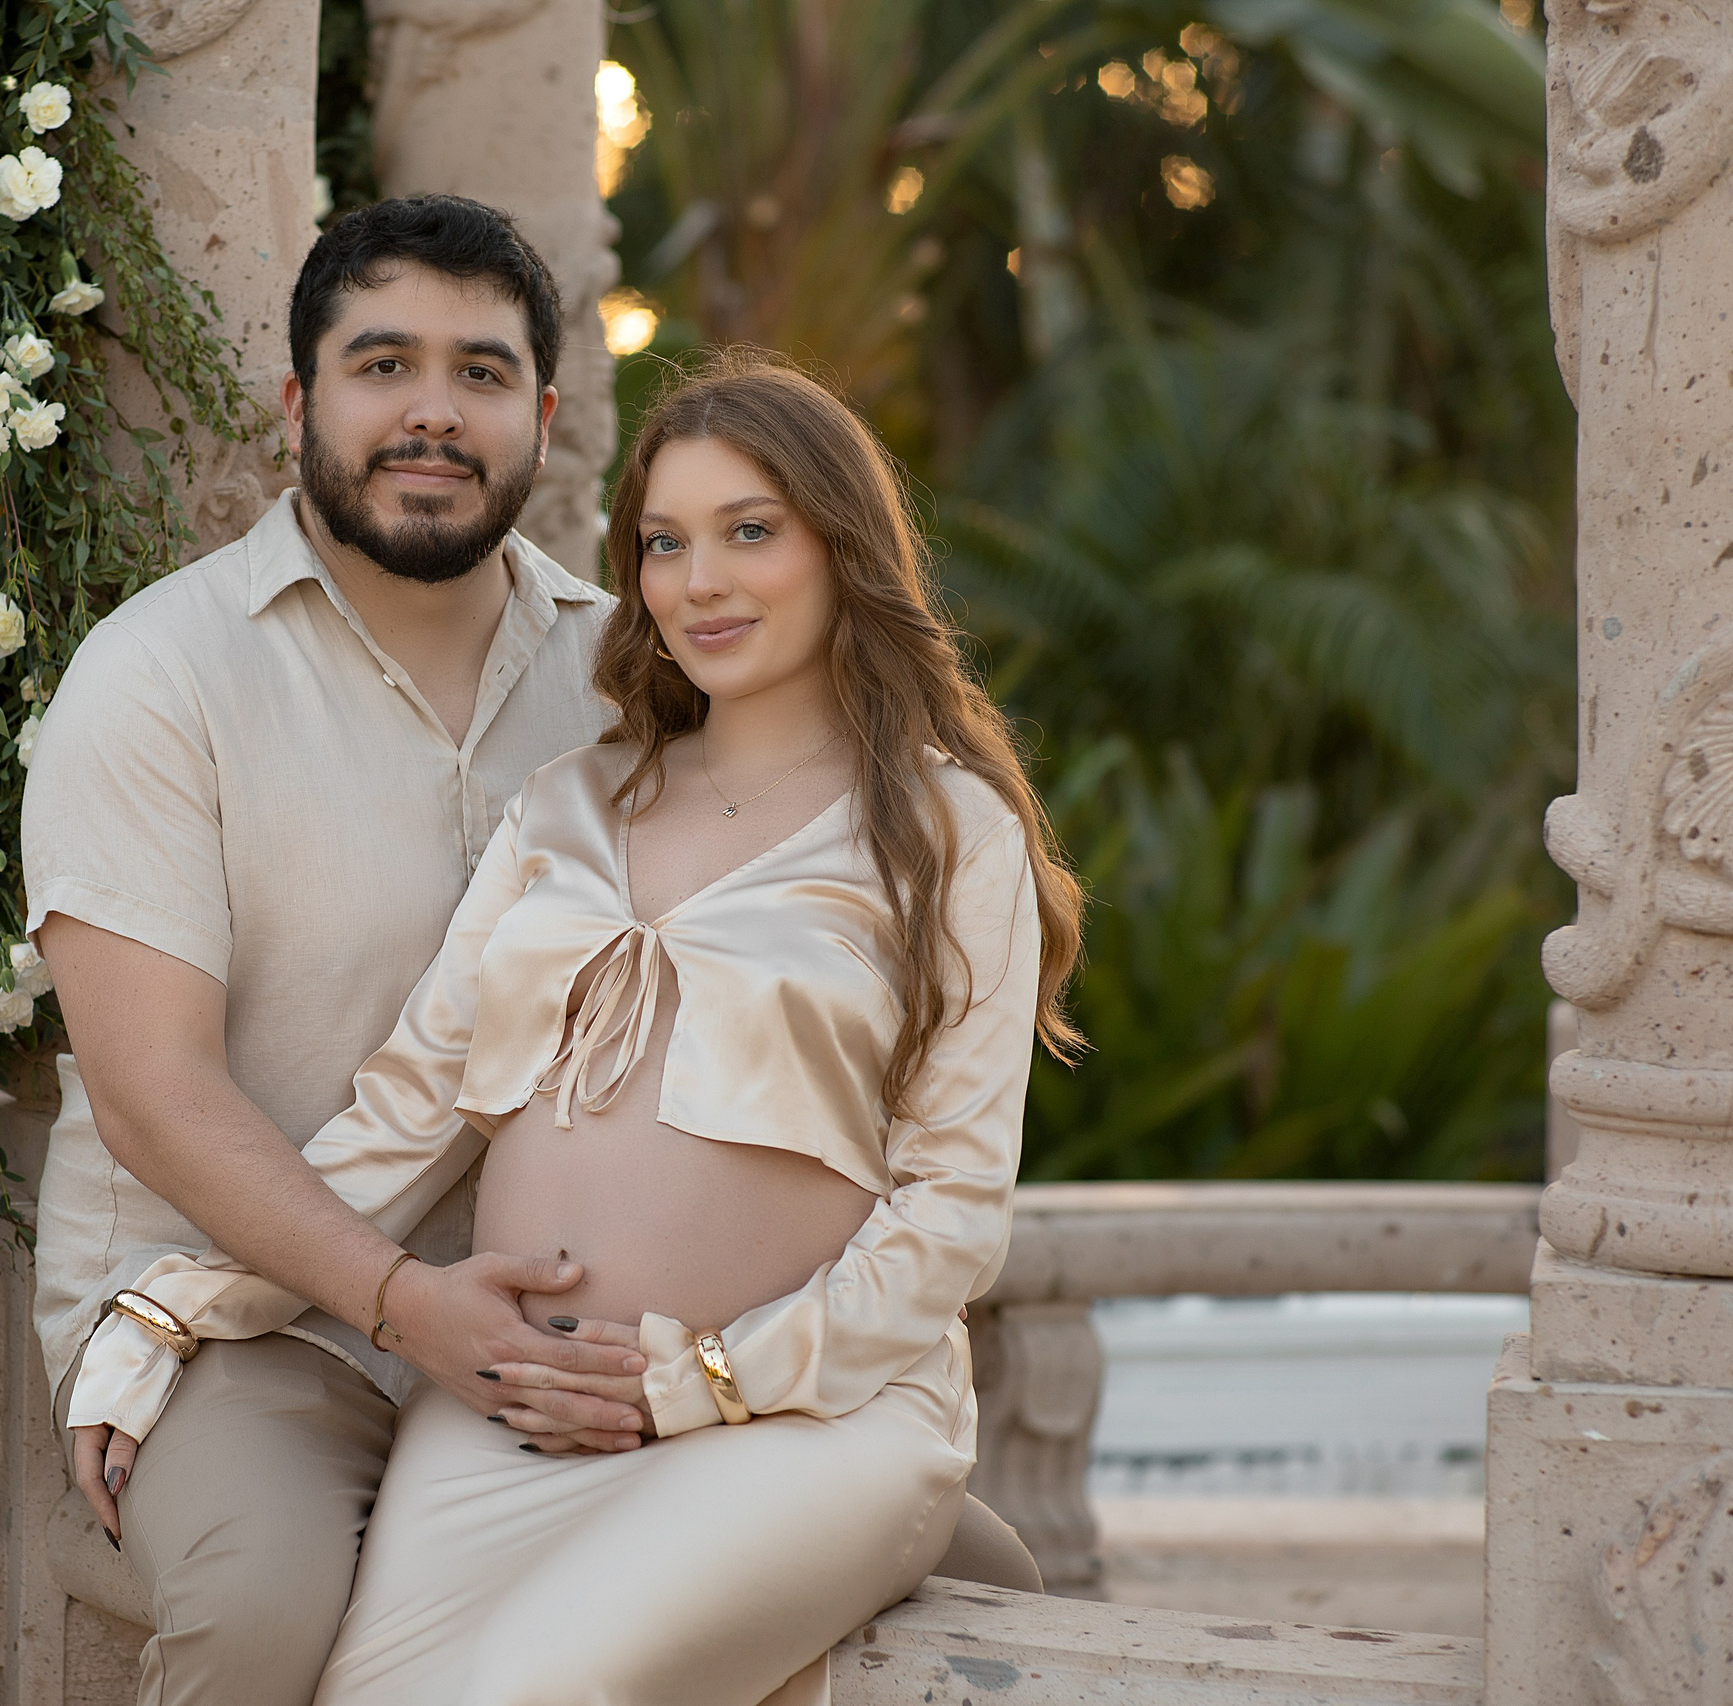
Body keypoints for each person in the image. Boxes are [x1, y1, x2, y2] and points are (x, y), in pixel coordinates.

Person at [63, 351, 1085, 1706]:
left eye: (750, 532)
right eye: (664, 542)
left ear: (844, 548)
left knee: (532, 1689)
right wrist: (167, 1316)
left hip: (802, 1417)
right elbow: (409, 1115)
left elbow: (950, 1216)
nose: (698, 580)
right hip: (518, 1417)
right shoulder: (574, 804)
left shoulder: (949, 833)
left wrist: (700, 1379)